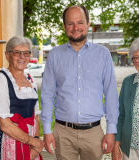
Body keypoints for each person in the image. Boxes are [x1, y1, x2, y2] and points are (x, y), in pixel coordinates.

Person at [40, 5, 119, 160]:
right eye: (70, 23)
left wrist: (111, 131)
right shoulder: (55, 55)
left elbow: (111, 94)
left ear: (88, 24)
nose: (75, 27)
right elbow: (47, 95)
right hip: (63, 133)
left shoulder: (103, 54)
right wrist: (47, 131)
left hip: (94, 133)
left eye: (80, 22)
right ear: (64, 27)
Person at [0, 36, 44, 160]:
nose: (22, 57)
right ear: (7, 55)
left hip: (30, 140)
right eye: (17, 53)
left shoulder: (31, 79)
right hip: (9, 141)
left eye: (26, 53)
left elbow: (36, 115)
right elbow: (5, 125)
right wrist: (33, 142)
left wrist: (35, 141)